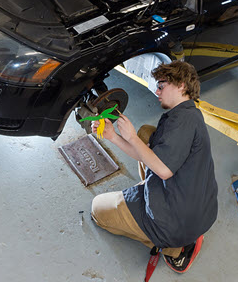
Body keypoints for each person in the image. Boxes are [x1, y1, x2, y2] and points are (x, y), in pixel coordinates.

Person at [91, 61, 218, 274]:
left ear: (181, 86)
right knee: (146, 134)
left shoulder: (180, 123)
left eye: (161, 86)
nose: (156, 91)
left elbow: (164, 171)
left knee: (98, 209)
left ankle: (175, 249)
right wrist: (113, 137)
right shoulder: (189, 114)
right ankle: (182, 231)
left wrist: (130, 136)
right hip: (199, 208)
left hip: (173, 221)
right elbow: (146, 152)